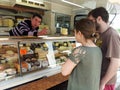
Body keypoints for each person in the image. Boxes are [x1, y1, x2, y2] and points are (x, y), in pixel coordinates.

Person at [61, 18, 102, 90]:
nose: (75, 35)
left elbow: (64, 72)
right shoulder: (98, 49)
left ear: (79, 33)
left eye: (75, 32)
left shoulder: (80, 51)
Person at [88, 7, 120, 90]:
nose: (90, 24)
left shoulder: (111, 35)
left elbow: (116, 63)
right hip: (99, 78)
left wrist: (103, 82)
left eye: (91, 21)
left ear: (99, 19)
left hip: (106, 82)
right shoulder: (100, 34)